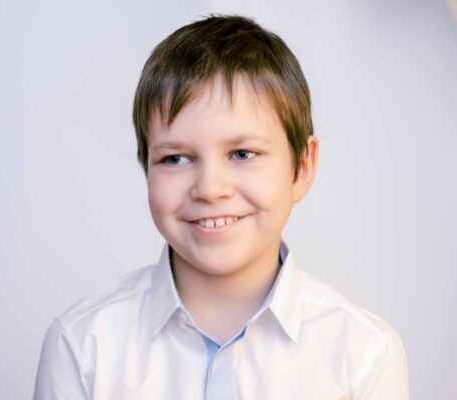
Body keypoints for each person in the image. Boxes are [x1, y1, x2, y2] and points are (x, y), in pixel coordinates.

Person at [33, 15, 409, 399]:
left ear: (302, 166)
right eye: (176, 158)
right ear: (146, 166)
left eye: (243, 153)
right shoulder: (83, 346)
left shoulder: (364, 356)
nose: (210, 189)